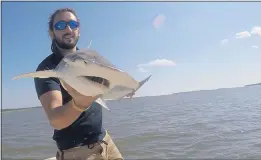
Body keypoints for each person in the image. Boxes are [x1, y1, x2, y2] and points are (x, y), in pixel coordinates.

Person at [34, 8, 124, 160]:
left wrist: (122, 88)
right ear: (52, 33)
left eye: (73, 24)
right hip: (77, 153)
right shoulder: (47, 69)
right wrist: (79, 104)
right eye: (61, 25)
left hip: (106, 142)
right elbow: (56, 119)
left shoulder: (92, 59)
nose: (68, 29)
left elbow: (107, 84)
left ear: (79, 30)